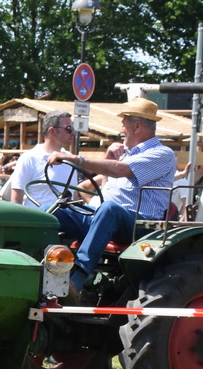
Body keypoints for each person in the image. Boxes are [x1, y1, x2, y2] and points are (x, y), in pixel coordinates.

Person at [43, 97, 177, 293]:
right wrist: (108, 160)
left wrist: (77, 159)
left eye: (124, 125)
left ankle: (77, 279)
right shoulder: (127, 154)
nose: (121, 130)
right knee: (52, 213)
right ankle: (41, 269)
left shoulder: (162, 154)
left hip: (140, 224)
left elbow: (121, 171)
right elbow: (107, 191)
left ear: (137, 126)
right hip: (106, 216)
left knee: (109, 210)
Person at [10, 111, 79, 209]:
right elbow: (16, 201)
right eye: (69, 129)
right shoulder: (29, 158)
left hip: (67, 222)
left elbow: (74, 197)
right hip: (39, 221)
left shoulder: (70, 159)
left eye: (73, 129)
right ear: (52, 131)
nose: (73, 133)